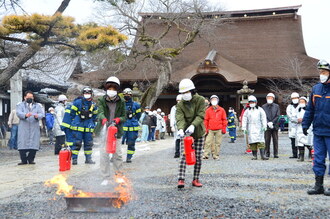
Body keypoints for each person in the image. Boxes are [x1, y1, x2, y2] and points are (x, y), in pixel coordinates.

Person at [303, 60, 330, 195]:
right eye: (320, 72)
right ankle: (318, 185)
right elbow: (310, 110)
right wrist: (305, 124)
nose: (322, 75)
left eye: (324, 72)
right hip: (318, 131)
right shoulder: (316, 89)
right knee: (318, 159)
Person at [96, 76, 126, 185]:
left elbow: (124, 116)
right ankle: (105, 177)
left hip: (116, 131)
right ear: (106, 89)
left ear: (117, 90)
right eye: (110, 89)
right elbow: (100, 111)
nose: (111, 91)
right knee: (104, 154)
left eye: (114, 89)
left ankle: (119, 176)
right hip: (105, 129)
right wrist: (103, 119)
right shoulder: (101, 100)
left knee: (117, 154)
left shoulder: (121, 101)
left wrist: (118, 119)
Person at [176, 78, 205, 188]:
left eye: (187, 92)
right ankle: (181, 179)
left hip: (198, 132)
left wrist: (193, 125)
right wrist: (180, 128)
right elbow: (180, 118)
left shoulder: (200, 100)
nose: (185, 94)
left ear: (192, 91)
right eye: (183, 93)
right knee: (184, 155)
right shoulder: (180, 105)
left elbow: (201, 115)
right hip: (186, 134)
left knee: (197, 156)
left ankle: (196, 178)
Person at [68, 87, 98, 165]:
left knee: (89, 144)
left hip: (88, 128)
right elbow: (72, 114)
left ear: (91, 94)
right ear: (82, 94)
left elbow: (95, 116)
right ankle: (74, 159)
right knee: (77, 143)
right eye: (85, 93)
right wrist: (76, 120)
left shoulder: (93, 105)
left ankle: (88, 159)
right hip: (78, 127)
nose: (87, 95)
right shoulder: (77, 102)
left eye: (88, 93)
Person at [16, 91, 45, 165]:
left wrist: (37, 116)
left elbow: (41, 113)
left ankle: (31, 159)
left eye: (31, 97)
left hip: (34, 126)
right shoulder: (20, 105)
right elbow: (18, 113)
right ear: (25, 97)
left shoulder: (38, 105)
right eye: (28, 97)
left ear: (33, 97)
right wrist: (25, 115)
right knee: (22, 143)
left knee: (34, 143)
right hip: (24, 126)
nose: (30, 98)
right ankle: (23, 160)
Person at [242, 95, 268, 160]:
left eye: (252, 102)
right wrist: (244, 128)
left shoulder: (260, 110)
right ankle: (254, 155)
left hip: (259, 127)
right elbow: (244, 119)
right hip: (250, 127)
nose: (251, 104)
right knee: (252, 142)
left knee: (261, 141)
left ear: (256, 102)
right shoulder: (247, 111)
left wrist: (264, 126)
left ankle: (263, 155)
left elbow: (263, 118)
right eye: (250, 102)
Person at [203, 95, 227, 160]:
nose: (214, 101)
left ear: (218, 101)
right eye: (212, 100)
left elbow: (224, 119)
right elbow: (206, 120)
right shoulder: (208, 110)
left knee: (218, 143)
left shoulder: (222, 110)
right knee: (207, 142)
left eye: (215, 99)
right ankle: (206, 155)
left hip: (219, 129)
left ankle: (216, 155)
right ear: (210, 101)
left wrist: (224, 128)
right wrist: (206, 129)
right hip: (210, 129)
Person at [122, 88, 141, 163]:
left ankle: (129, 157)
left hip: (133, 127)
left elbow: (138, 116)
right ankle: (115, 157)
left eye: (128, 94)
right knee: (118, 142)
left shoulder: (136, 105)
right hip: (122, 126)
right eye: (125, 94)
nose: (127, 96)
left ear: (131, 95)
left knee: (131, 143)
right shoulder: (120, 105)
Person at [262, 93, 280, 158]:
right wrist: (267, 122)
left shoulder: (276, 106)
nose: (269, 99)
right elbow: (263, 116)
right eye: (268, 98)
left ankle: (276, 153)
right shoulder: (263, 106)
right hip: (267, 125)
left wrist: (272, 122)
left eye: (271, 98)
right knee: (267, 140)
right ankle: (267, 153)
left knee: (275, 140)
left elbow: (277, 115)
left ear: (273, 99)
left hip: (275, 125)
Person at [295, 97, 313, 162]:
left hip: (308, 128)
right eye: (300, 102)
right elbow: (292, 117)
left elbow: (311, 117)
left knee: (308, 142)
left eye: (303, 102)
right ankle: (301, 157)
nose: (301, 103)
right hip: (299, 128)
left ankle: (311, 156)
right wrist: (297, 120)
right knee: (300, 143)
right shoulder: (297, 109)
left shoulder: (309, 109)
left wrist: (304, 120)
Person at [286, 92, 300, 159]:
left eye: (296, 98)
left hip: (300, 125)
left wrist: (300, 119)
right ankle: (294, 154)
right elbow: (289, 116)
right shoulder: (289, 107)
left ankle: (301, 154)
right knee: (293, 141)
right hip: (292, 126)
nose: (295, 99)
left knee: (301, 140)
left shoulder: (301, 106)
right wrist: (297, 120)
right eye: (293, 98)